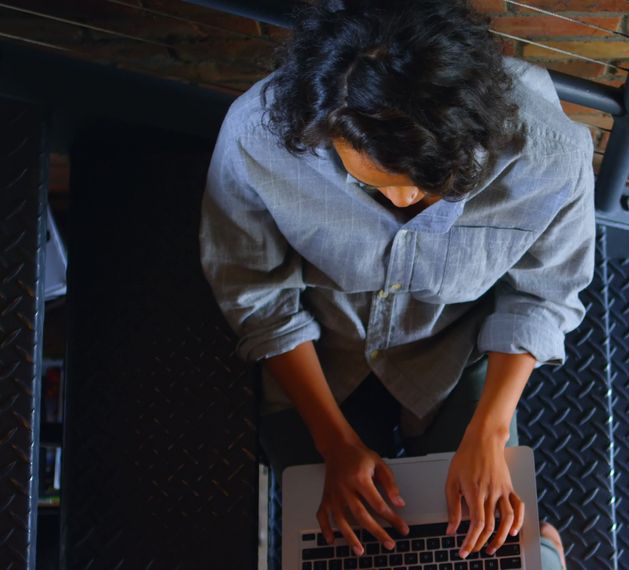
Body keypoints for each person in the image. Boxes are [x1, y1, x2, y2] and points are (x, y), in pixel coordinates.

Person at [197, 1, 594, 569]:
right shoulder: (256, 135)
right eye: (376, 185)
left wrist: (490, 430)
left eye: (428, 187)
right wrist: (333, 443)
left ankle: (544, 546)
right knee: (349, 554)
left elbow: (544, 294)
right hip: (320, 353)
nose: (405, 202)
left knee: (488, 555)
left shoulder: (552, 155)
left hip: (454, 351)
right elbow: (257, 296)